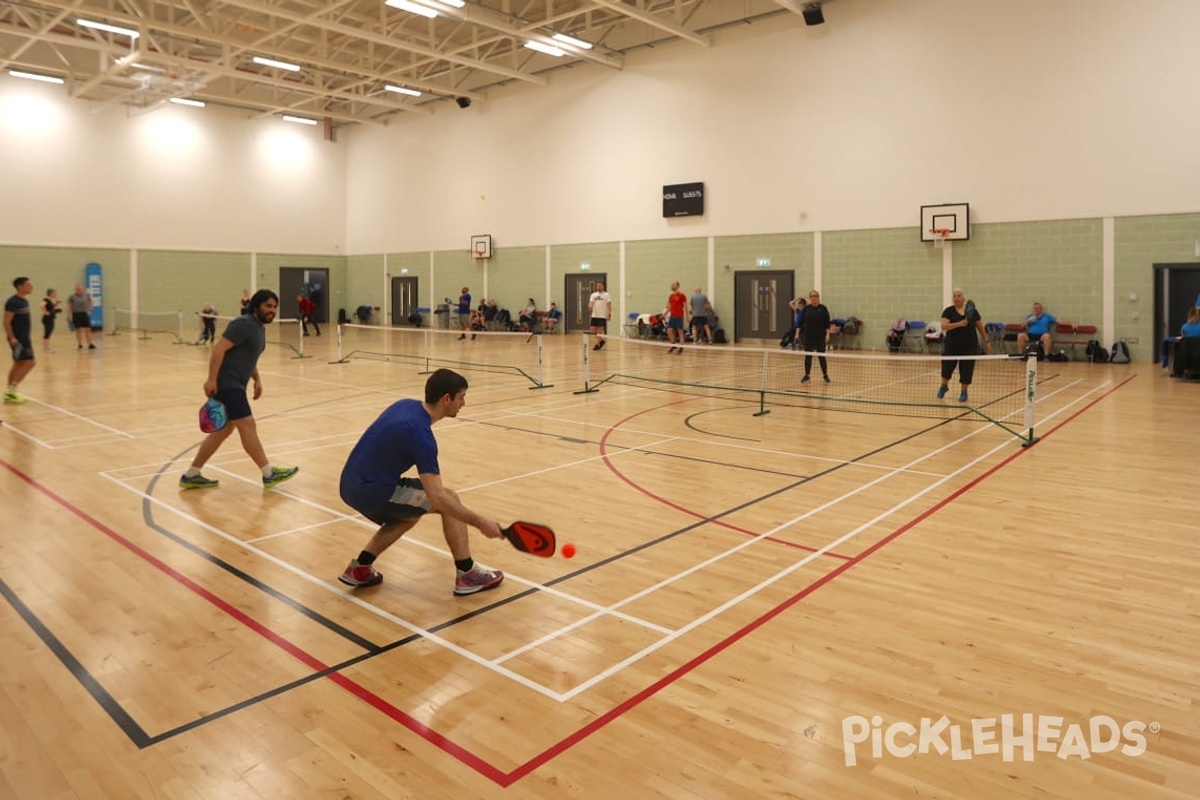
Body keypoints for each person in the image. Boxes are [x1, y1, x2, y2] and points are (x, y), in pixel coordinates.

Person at [337, 368, 505, 595]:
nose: (463, 403)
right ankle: (467, 573)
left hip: (349, 484)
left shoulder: (404, 404)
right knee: (450, 500)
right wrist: (481, 522)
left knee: (410, 513)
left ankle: (361, 567)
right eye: (461, 397)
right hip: (372, 490)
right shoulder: (420, 435)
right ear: (447, 398)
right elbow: (438, 497)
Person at [178, 289, 299, 490]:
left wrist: (257, 380)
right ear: (256, 305)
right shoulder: (243, 324)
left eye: (275, 307)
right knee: (247, 424)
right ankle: (268, 473)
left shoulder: (259, 328)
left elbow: (247, 358)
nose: (272, 310)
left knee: (221, 432)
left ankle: (191, 475)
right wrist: (211, 379)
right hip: (227, 383)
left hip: (237, 384)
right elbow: (219, 349)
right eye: (268, 306)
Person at [937, 288, 991, 403]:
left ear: (963, 298)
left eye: (959, 296)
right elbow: (944, 326)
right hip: (951, 346)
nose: (956, 298)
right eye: (954, 296)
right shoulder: (949, 311)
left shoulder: (972, 311)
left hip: (969, 346)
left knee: (967, 369)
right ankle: (944, 386)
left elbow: (980, 327)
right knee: (947, 367)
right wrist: (959, 324)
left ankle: (964, 392)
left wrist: (986, 341)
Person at [4, 277, 36, 404]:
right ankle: (12, 390)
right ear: (20, 286)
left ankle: (10, 393)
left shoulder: (24, 301)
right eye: (28, 285)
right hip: (18, 339)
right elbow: (6, 321)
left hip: (24, 337)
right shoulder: (13, 302)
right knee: (30, 363)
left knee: (18, 363)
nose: (31, 287)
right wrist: (12, 337)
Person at [799, 290, 832, 383]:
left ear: (818, 298)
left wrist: (828, 334)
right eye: (812, 296)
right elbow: (800, 323)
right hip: (808, 337)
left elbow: (827, 323)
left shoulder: (823, 309)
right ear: (809, 298)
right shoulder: (806, 309)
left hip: (820, 337)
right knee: (808, 356)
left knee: (821, 357)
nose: (813, 298)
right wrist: (797, 334)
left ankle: (825, 375)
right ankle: (807, 375)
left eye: (815, 296)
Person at [67, 284, 96, 350]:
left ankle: (90, 344)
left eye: (81, 289)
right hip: (76, 314)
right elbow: (69, 306)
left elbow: (91, 302)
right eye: (78, 289)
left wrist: (90, 310)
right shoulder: (72, 297)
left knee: (88, 329)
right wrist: (68, 315)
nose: (79, 290)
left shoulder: (86, 295)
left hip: (85, 314)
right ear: (75, 289)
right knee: (78, 330)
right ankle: (80, 344)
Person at [665, 281, 688, 353]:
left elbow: (686, 306)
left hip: (679, 316)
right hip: (672, 316)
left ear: (678, 286)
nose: (672, 286)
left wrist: (688, 317)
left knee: (680, 332)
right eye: (671, 285)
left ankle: (681, 347)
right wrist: (664, 315)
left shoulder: (681, 295)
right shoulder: (670, 296)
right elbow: (669, 307)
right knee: (669, 331)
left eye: (674, 285)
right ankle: (673, 344)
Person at [588, 282, 612, 350]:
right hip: (594, 315)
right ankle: (601, 341)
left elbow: (609, 305)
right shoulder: (593, 295)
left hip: (602, 316)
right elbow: (591, 302)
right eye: (597, 285)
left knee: (599, 332)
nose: (598, 286)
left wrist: (609, 314)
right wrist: (590, 306)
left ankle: (598, 345)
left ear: (603, 286)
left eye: (600, 285)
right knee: (592, 330)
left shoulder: (606, 295)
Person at [42, 288, 62, 352]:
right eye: (54, 293)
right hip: (47, 319)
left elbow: (50, 308)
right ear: (51, 293)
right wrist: (45, 312)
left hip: (50, 318)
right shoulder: (46, 299)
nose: (55, 294)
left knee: (48, 332)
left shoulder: (49, 300)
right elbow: (41, 305)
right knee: (47, 333)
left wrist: (56, 304)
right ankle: (46, 348)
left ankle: (46, 347)